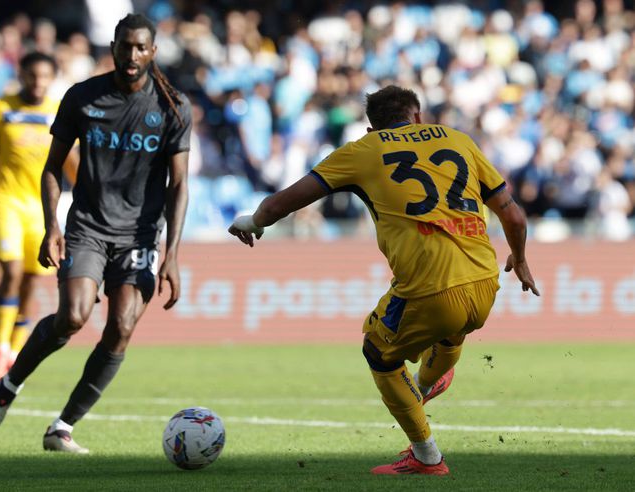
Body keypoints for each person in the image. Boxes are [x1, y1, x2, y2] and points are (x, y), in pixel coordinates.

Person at [229, 85, 539, 476]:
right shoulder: (459, 140)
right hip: (486, 282)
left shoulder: (365, 151)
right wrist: (522, 259)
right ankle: (429, 378)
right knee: (451, 326)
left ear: (372, 127)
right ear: (417, 115)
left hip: (432, 290)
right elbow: (514, 217)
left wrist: (253, 222)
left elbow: (280, 203)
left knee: (378, 352)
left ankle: (427, 456)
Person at [0, 14, 192, 453]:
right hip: (88, 226)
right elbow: (52, 167)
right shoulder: (83, 97)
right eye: (124, 46)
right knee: (72, 316)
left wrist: (171, 253)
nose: (131, 56)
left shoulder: (173, 108)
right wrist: (52, 225)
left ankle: (62, 426)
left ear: (152, 52)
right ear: (112, 46)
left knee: (122, 327)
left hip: (139, 235)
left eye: (140, 48)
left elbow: (180, 183)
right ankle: (8, 385)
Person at [0, 52, 71, 380]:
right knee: (13, 269)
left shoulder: (56, 112)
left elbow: (71, 159)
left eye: (45, 77)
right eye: (32, 76)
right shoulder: (2, 108)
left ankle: (15, 349)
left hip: (41, 208)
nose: (38, 83)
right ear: (21, 75)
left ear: (52, 78)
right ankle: (0, 346)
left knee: (32, 281)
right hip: (5, 201)